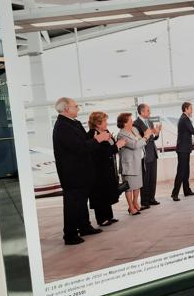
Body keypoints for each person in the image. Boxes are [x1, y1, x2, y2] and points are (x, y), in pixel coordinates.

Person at [52, 97, 106, 245]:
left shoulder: (73, 123)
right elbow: (78, 147)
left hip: (81, 172)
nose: (78, 108)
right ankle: (70, 235)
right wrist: (98, 140)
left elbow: (82, 141)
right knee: (73, 204)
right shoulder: (63, 126)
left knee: (82, 201)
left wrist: (93, 137)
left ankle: (84, 227)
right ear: (66, 109)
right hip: (72, 173)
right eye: (75, 106)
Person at [87, 112, 126, 226]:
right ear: (98, 123)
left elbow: (111, 147)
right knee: (100, 193)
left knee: (107, 192)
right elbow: (99, 153)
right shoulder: (91, 134)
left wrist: (116, 145)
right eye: (104, 121)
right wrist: (117, 146)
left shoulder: (106, 132)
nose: (106, 123)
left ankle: (109, 216)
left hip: (108, 167)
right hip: (98, 169)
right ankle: (102, 219)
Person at [117, 113, 152, 215]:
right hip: (129, 164)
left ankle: (135, 203)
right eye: (130, 120)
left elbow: (141, 141)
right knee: (129, 187)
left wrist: (146, 137)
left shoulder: (134, 130)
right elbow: (135, 145)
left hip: (138, 161)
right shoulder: (121, 134)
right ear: (124, 123)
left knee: (137, 185)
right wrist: (146, 137)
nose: (132, 121)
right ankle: (131, 207)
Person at [171, 102, 194, 201]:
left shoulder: (184, 118)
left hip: (184, 149)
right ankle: (174, 193)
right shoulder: (184, 119)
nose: (192, 110)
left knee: (186, 171)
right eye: (191, 108)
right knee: (181, 171)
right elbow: (193, 131)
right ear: (186, 109)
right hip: (183, 149)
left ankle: (187, 190)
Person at [133, 103, 162, 209]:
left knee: (153, 177)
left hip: (153, 152)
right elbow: (141, 139)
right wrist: (149, 135)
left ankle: (151, 198)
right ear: (141, 112)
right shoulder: (135, 124)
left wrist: (157, 133)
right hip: (144, 154)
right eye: (148, 110)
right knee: (145, 178)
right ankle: (144, 201)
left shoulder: (150, 122)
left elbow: (153, 137)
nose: (150, 112)